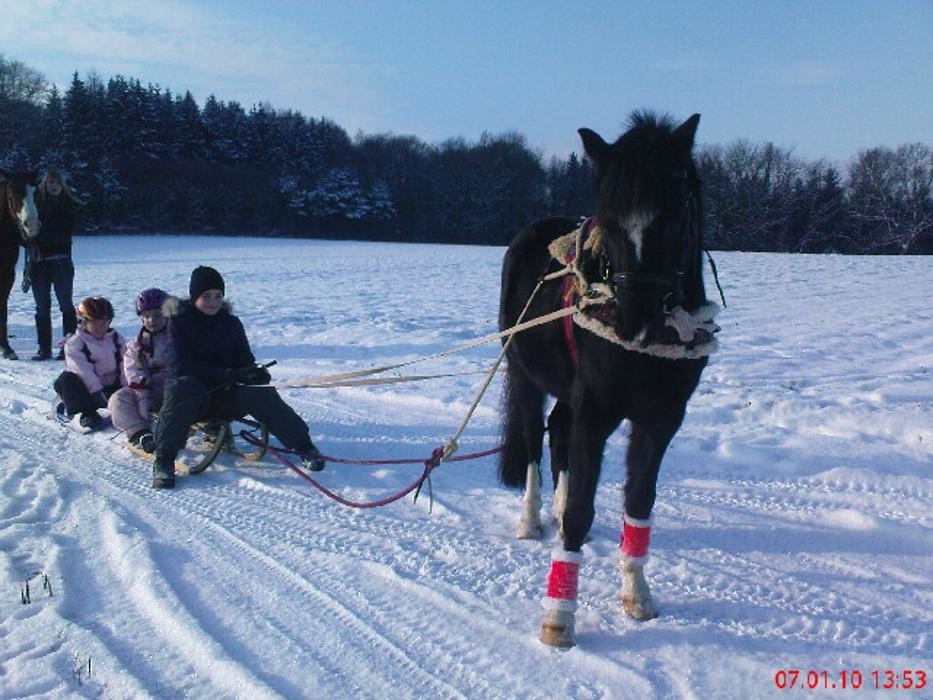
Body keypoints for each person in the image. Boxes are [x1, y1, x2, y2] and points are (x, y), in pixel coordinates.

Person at [152, 266, 324, 489]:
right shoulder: (178, 323)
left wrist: (254, 372)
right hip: (195, 398)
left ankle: (304, 446)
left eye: (218, 295)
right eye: (206, 296)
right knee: (181, 389)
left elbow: (244, 358)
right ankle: (164, 460)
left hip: (225, 397)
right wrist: (224, 374)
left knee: (261, 393)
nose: (213, 301)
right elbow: (180, 365)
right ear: (195, 297)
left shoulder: (231, 324)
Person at [109, 288, 174, 453]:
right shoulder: (135, 346)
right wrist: (144, 400)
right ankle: (141, 433)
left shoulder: (178, 338)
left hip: (175, 391)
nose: (152, 320)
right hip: (149, 392)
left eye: (157, 315)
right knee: (118, 399)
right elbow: (134, 374)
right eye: (146, 316)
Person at [29, 169, 82, 361]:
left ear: (62, 186)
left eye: (57, 183)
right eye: (50, 182)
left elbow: (62, 232)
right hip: (38, 264)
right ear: (45, 184)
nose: (54, 186)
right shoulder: (34, 205)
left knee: (65, 305)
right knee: (41, 307)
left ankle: (68, 347)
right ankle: (44, 348)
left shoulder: (69, 206)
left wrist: (38, 239)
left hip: (60, 261)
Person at [54, 296, 125, 430]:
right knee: (66, 379)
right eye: (95, 323)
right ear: (83, 322)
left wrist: (129, 388)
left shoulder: (116, 339)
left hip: (112, 386)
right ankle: (85, 413)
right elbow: (83, 371)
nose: (100, 327)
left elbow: (124, 364)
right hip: (89, 390)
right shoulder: (75, 343)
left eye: (104, 323)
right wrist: (98, 395)